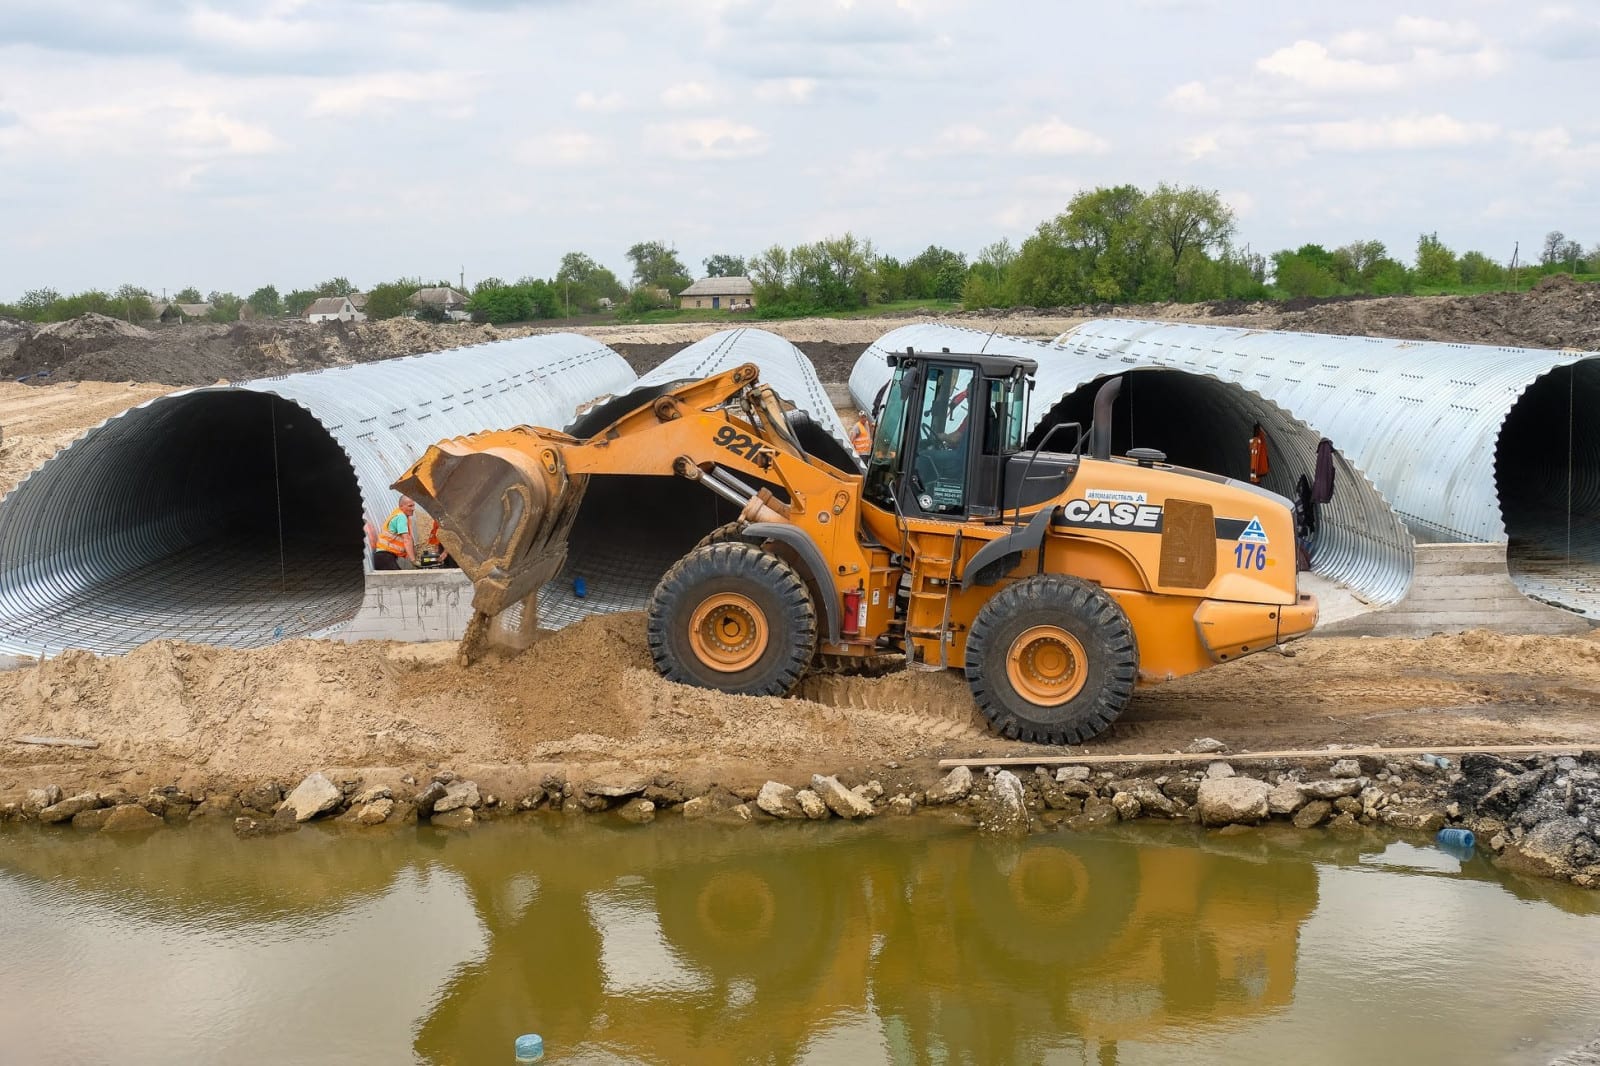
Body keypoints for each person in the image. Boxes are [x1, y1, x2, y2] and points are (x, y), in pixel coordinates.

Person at [373, 496, 417, 570]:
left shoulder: (398, 514)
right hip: (384, 557)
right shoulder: (401, 517)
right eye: (410, 506)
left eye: (413, 505)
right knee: (400, 580)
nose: (413, 508)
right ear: (401, 506)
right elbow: (406, 539)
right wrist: (414, 561)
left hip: (384, 557)